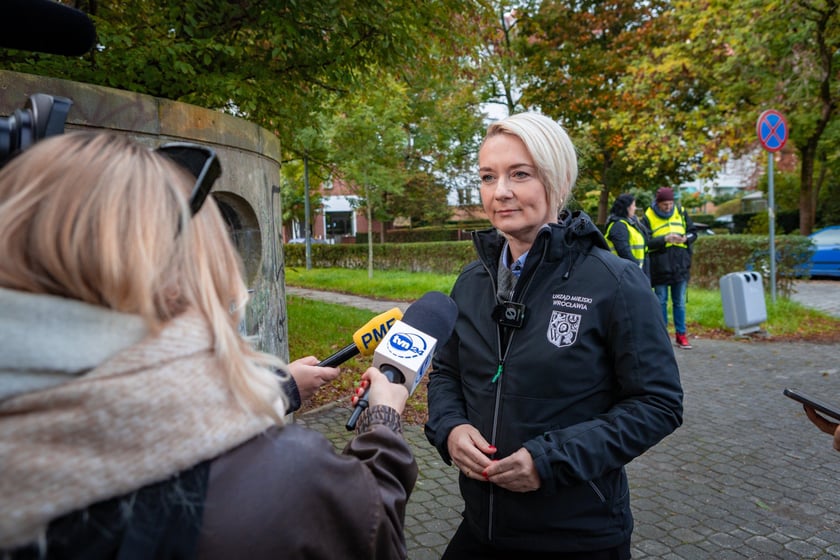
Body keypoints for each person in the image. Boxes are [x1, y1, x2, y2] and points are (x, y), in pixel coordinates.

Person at [0, 131, 417, 559]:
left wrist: (282, 387)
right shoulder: (286, 478)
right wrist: (383, 421)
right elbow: (374, 530)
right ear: (184, 280)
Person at [424, 112, 683, 559]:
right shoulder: (470, 282)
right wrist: (450, 428)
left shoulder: (615, 282)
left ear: (558, 181)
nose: (500, 191)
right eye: (488, 176)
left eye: (520, 174)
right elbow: (447, 373)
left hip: (577, 536)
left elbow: (657, 404)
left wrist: (550, 461)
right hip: (482, 527)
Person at [641, 187, 698, 350]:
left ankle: (681, 335)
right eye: (665, 204)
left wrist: (686, 239)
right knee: (660, 302)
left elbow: (693, 233)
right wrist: (665, 239)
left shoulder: (681, 211)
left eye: (670, 204)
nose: (668, 207)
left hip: (680, 265)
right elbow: (645, 241)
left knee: (679, 302)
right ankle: (662, 337)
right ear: (658, 203)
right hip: (660, 266)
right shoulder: (648, 216)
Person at [605, 192, 650, 279]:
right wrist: (637, 269)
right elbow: (624, 252)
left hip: (631, 273)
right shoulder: (619, 226)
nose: (635, 208)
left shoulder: (629, 224)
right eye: (633, 205)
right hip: (625, 274)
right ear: (627, 207)